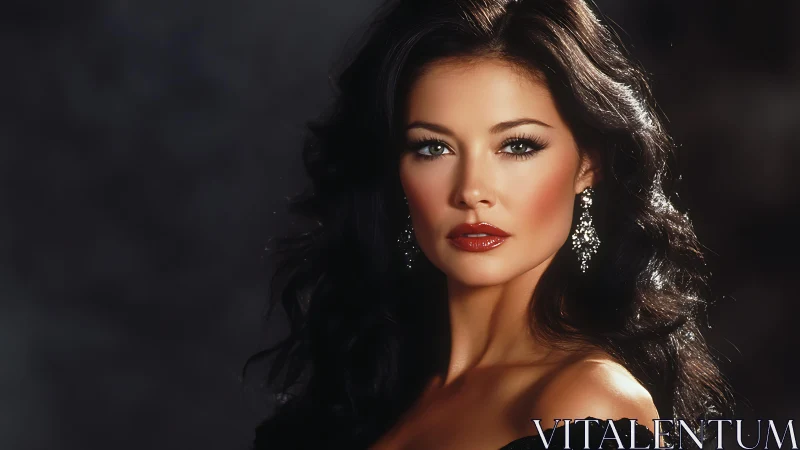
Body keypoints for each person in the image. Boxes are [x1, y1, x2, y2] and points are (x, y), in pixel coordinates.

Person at [248, 0, 734, 448]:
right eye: (432, 147)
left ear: (588, 164)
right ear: (397, 173)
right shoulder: (370, 385)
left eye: (518, 145)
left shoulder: (585, 404)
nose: (471, 190)